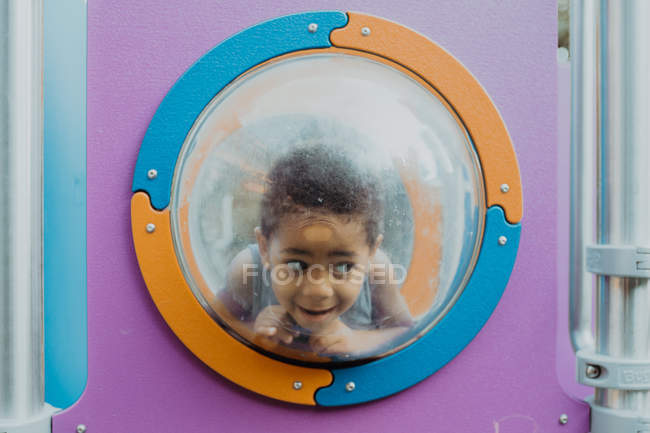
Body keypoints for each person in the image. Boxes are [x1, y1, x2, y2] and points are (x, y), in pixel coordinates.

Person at [220, 143, 413, 358]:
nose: (318, 291)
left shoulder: (378, 271)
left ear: (371, 252)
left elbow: (407, 333)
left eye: (343, 266)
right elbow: (210, 327)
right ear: (264, 248)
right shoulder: (247, 270)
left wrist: (358, 340)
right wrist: (253, 331)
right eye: (296, 264)